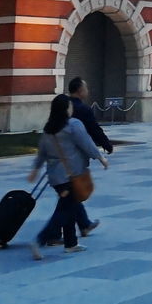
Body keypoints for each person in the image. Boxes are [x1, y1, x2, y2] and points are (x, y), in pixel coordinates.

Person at [27, 94, 108, 260]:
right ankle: (40, 240)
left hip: (56, 178)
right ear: (65, 109)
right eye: (70, 106)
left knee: (70, 206)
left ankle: (71, 244)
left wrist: (35, 169)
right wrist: (100, 157)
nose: (72, 109)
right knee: (64, 211)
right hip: (71, 175)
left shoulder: (49, 129)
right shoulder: (73, 125)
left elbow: (42, 152)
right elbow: (86, 143)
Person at [67, 78, 112, 238]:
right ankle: (48, 235)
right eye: (85, 88)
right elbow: (92, 131)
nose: (88, 91)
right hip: (74, 158)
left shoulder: (63, 106)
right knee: (69, 196)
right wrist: (105, 145)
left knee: (71, 192)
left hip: (58, 155)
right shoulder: (82, 110)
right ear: (80, 91)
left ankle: (84, 224)